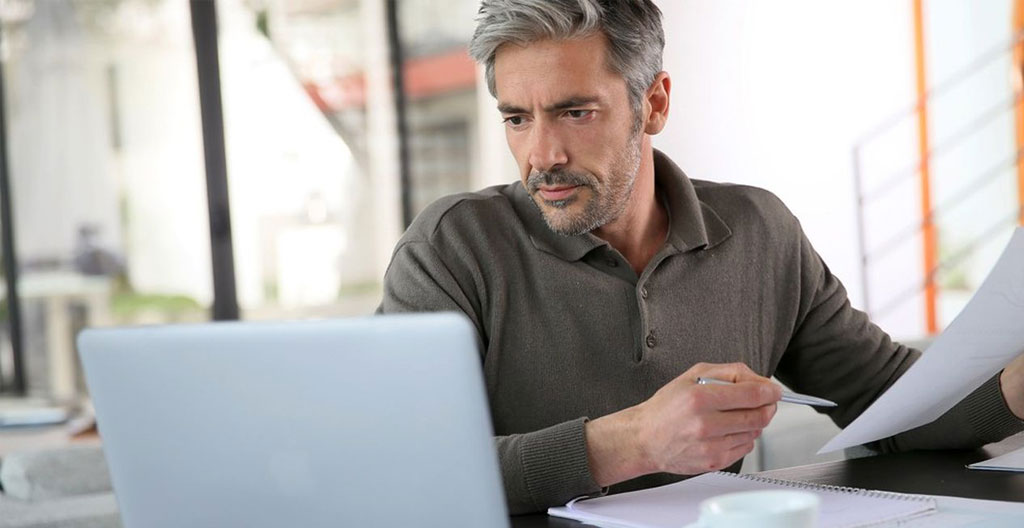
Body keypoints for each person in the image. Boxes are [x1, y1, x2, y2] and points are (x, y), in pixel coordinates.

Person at [377, 0, 1024, 515]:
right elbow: (395, 466)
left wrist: (1016, 387)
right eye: (517, 118)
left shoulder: (758, 232)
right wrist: (630, 444)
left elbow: (898, 407)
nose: (542, 154)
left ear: (653, 103)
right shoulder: (451, 248)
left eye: (574, 112)